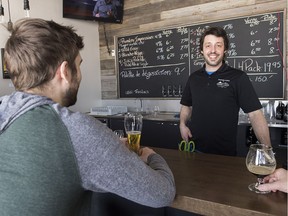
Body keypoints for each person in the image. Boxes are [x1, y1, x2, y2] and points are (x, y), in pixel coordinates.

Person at [0, 18, 176, 215]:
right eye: (79, 65)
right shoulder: (75, 129)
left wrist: (107, 146)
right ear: (65, 72)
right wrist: (152, 156)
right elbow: (162, 193)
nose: (80, 74)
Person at [179, 26, 271, 156]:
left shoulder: (238, 77)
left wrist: (267, 150)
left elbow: (255, 114)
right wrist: (182, 124)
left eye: (218, 45)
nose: (213, 50)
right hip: (194, 150)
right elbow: (186, 105)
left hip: (225, 155)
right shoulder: (194, 78)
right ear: (201, 50)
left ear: (225, 49)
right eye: (208, 45)